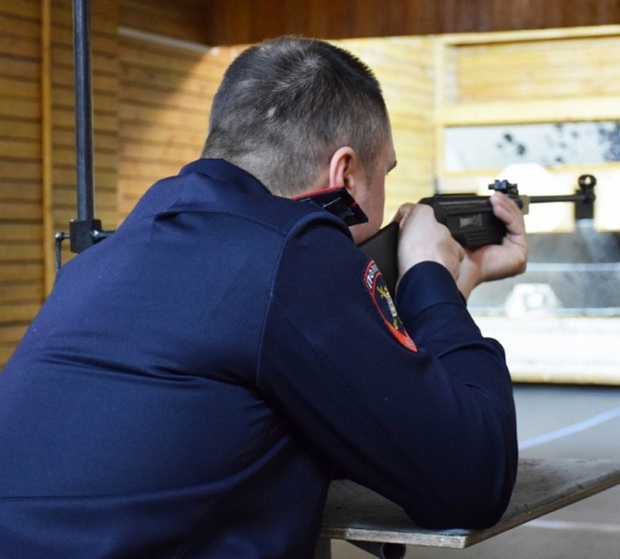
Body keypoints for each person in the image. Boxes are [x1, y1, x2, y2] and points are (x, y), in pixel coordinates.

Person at [0, 36, 527, 558]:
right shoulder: (294, 251)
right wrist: (431, 279)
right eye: (384, 173)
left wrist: (443, 290)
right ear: (343, 174)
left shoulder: (104, 259)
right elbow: (474, 476)